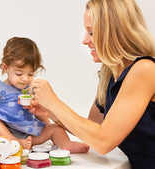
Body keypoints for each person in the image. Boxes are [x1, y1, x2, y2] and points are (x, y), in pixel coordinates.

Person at [28, 0, 155, 168]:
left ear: (115, 32)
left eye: (92, 33)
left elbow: (104, 141)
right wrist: (50, 112)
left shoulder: (144, 69)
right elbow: (92, 130)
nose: (85, 40)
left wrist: (54, 102)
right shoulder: (110, 74)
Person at [0, 37, 89, 153]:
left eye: (31, 74)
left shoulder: (32, 89)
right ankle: (15, 142)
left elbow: (41, 114)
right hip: (4, 136)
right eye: (19, 74)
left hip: (29, 136)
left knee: (55, 128)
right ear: (5, 68)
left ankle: (66, 144)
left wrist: (48, 128)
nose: (25, 79)